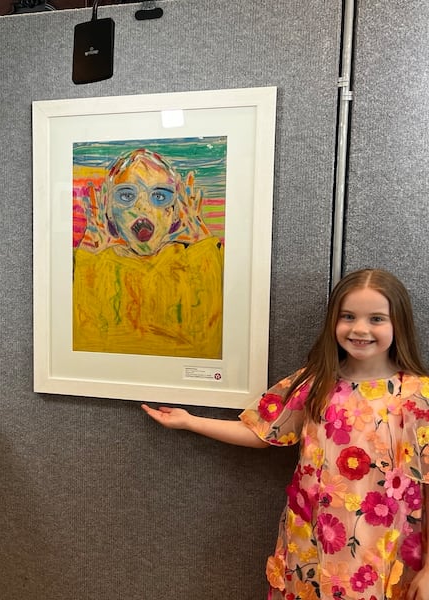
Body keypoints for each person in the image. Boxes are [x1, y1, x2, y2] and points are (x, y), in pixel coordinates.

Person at [142, 268, 429, 600]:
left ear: (399, 324)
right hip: (312, 544)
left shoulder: (417, 396)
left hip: (384, 550)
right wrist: (191, 421)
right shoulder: (317, 382)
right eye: (348, 316)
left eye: (377, 318)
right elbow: (262, 432)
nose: (360, 329)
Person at [72, 148, 224, 358]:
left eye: (159, 196)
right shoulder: (96, 265)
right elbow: (85, 344)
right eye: (126, 195)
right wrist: (87, 262)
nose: (142, 208)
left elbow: (209, 345)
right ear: (109, 207)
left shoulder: (200, 260)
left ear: (175, 210)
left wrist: (204, 246)